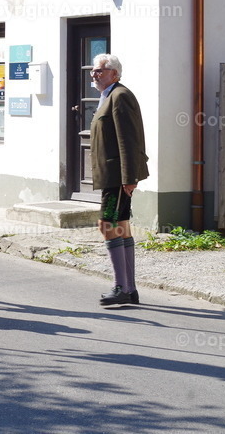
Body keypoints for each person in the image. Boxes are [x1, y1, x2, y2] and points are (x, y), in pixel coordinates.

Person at [90, 53, 149, 307]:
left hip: (118, 177)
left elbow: (128, 139)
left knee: (108, 225)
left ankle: (121, 287)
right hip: (114, 176)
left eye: (99, 71)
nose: (94, 74)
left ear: (114, 73)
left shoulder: (120, 96)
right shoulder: (108, 95)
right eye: (93, 71)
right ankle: (130, 288)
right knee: (120, 224)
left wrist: (129, 177)